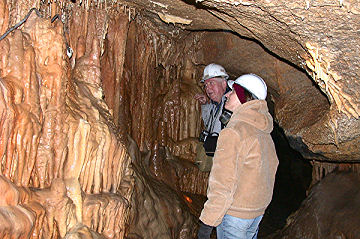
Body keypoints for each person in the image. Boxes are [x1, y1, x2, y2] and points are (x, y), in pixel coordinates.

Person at [198, 74, 279, 239]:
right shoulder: (263, 130)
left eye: (233, 92)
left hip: (235, 214)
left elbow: (222, 182)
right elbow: (271, 168)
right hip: (255, 213)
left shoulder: (234, 132)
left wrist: (208, 222)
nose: (227, 95)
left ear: (244, 97)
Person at [195, 63, 239, 171]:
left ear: (224, 84)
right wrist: (205, 105)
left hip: (230, 164)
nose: (207, 88)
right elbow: (208, 124)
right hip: (219, 162)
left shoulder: (233, 105)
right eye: (205, 85)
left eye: (211, 83)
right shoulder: (216, 105)